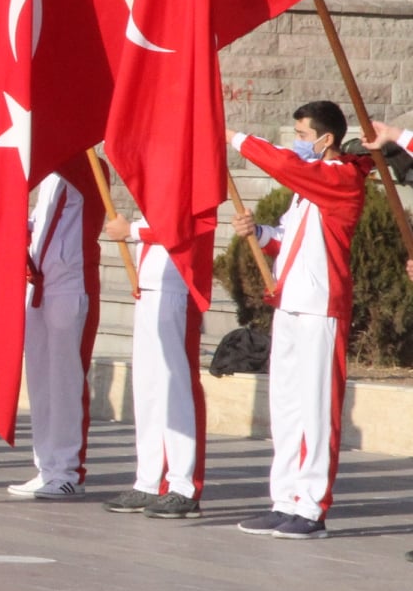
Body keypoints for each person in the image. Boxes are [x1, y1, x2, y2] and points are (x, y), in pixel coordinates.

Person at [228, 103, 374, 540]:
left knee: (315, 409)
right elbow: (290, 239)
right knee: (287, 407)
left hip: (320, 306)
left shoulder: (341, 178)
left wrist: (234, 138)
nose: (296, 141)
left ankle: (310, 507)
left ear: (326, 139)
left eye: (302, 134)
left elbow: (284, 164)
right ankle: (285, 500)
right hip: (290, 303)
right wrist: (259, 234)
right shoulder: (308, 187)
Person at [6, 154, 103, 500]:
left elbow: (49, 154)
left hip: (71, 285)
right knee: (41, 382)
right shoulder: (50, 179)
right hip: (39, 286)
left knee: (66, 382)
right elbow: (42, 223)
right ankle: (47, 467)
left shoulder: (91, 167)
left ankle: (67, 471)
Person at [101, 214, 206, 518]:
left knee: (176, 387)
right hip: (148, 286)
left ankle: (183, 485)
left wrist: (132, 230)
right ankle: (149, 479)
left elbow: (183, 224)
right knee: (147, 388)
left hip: (176, 285)